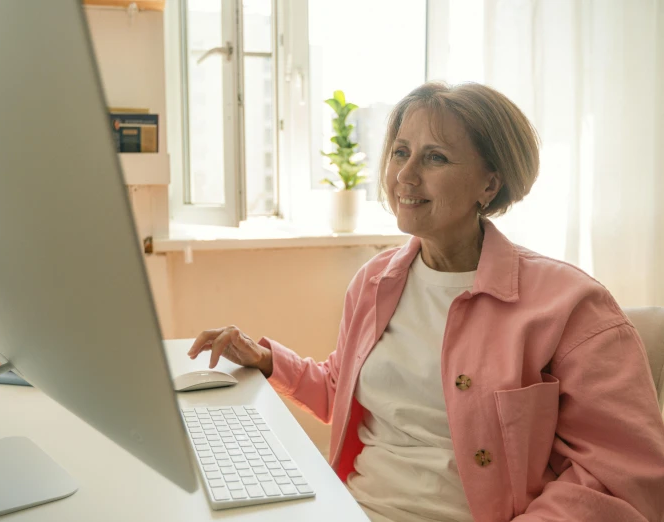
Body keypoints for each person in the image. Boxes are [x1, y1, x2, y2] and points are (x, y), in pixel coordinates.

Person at [186, 82, 664, 522]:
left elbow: (622, 476)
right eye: (400, 152)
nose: (405, 176)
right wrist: (268, 361)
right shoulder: (374, 280)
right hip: (350, 507)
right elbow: (343, 389)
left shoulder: (572, 306)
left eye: (434, 158)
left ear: (489, 184)